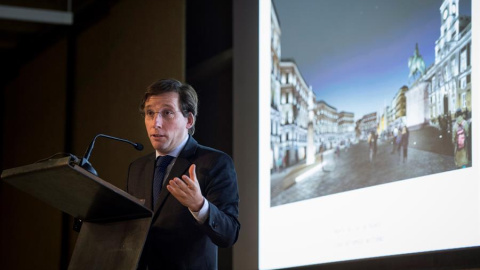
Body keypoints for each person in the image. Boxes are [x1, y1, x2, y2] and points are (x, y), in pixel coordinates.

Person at [127, 79, 240, 269]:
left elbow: (229, 233)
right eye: (150, 113)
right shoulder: (137, 168)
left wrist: (200, 206)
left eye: (167, 113)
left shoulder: (214, 163)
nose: (156, 123)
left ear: (189, 120)